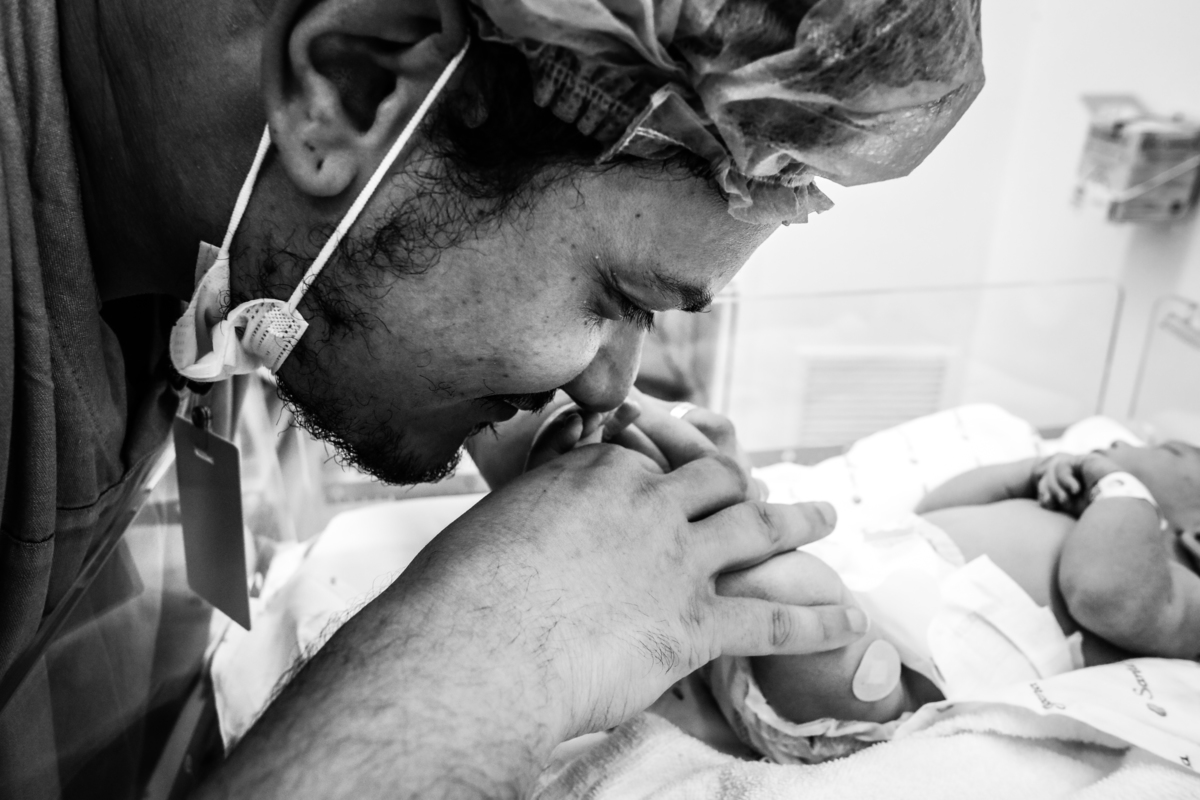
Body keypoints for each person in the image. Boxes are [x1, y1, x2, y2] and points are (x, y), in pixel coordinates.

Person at [0, 0, 984, 796]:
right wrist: (499, 634)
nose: (611, 384)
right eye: (617, 298)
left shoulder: (207, 237)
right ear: (351, 83)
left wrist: (506, 411)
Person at [704, 440, 1200, 763]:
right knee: (760, 537)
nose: (1118, 444)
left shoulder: (1175, 582)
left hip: (881, 674)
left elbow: (1104, 594)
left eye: (1166, 449)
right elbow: (933, 511)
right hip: (855, 575)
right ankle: (710, 561)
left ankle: (728, 570)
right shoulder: (1072, 507)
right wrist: (1029, 474)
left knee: (792, 587)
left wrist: (1120, 486)